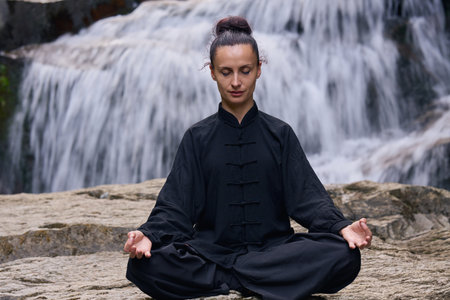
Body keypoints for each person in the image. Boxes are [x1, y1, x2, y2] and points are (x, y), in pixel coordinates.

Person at [124, 16, 372, 300]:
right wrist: (148, 235)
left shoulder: (280, 133)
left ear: (259, 70)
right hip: (210, 253)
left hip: (275, 251)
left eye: (245, 70)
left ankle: (230, 279)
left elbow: (308, 199)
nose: (236, 82)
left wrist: (341, 227)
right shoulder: (197, 137)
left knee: (344, 256)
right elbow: (176, 208)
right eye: (226, 72)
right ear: (212, 73)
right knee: (143, 265)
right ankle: (256, 280)